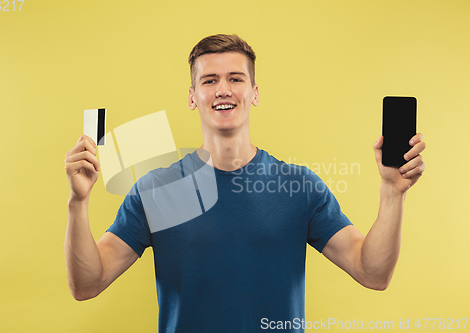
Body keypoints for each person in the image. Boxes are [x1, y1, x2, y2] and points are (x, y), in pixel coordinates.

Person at [64, 34, 426, 332]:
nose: (223, 90)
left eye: (235, 78)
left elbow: (373, 272)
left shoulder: (299, 186)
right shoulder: (155, 190)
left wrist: (392, 193)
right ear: (193, 97)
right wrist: (78, 204)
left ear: (254, 93)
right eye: (209, 80)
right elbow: (87, 284)